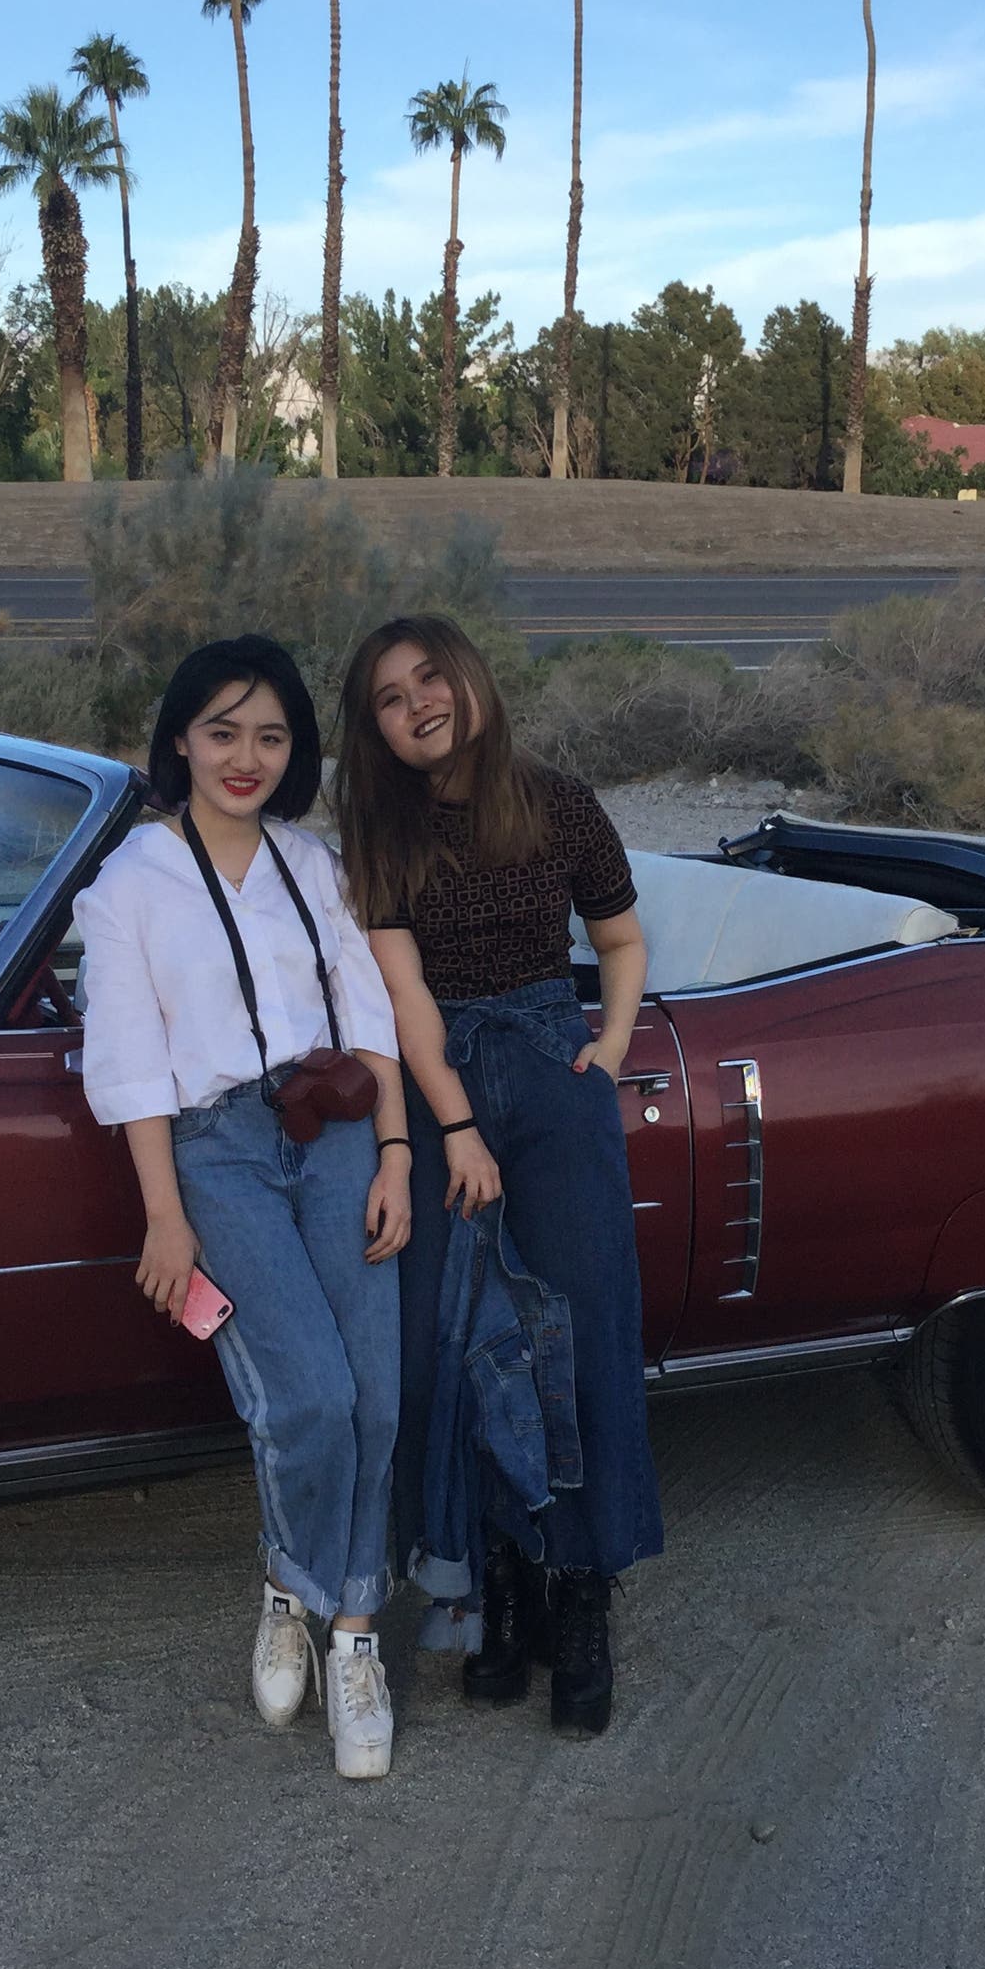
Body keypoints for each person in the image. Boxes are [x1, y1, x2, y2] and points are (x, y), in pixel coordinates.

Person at [71, 636, 414, 1781]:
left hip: (336, 1133)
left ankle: (353, 1634)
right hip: (216, 1152)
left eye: (270, 736)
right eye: (222, 732)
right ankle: (287, 1581)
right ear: (181, 738)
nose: (245, 757)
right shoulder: (129, 887)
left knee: (376, 1397)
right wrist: (164, 1217)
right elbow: (130, 1065)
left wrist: (396, 1156)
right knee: (310, 1397)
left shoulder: (314, 868)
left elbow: (371, 1020)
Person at [335, 613, 665, 1739]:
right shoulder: (379, 827)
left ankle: (580, 1593)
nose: (416, 704)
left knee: (581, 1327)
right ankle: (499, 1584)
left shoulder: (560, 802)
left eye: (430, 678)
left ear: (470, 680)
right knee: (454, 1341)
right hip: (445, 1088)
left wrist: (606, 1052)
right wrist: (459, 1127)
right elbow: (405, 999)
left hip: (555, 1070)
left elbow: (619, 941)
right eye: (389, 697)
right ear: (374, 728)